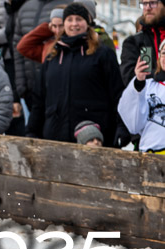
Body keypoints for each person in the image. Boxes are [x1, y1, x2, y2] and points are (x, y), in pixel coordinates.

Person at [26, 3, 128, 147]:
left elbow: (117, 95)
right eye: (70, 19)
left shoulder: (102, 54)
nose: (74, 24)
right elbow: (39, 99)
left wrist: (122, 128)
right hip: (56, 136)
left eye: (79, 19)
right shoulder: (52, 57)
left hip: (93, 137)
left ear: (87, 22)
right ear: (64, 23)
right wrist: (32, 131)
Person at [12, 0, 65, 108]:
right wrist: (21, 85)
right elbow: (20, 47)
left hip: (60, 93)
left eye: (61, 26)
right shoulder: (25, 7)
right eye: (54, 26)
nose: (57, 30)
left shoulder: (68, 3)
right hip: (33, 88)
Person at [118, 41, 165, 153]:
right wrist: (139, 82)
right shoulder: (148, 85)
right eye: (164, 53)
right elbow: (134, 125)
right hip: (151, 156)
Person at [120, 0, 165, 85]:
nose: (148, 8)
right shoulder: (135, 42)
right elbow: (129, 79)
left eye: (153, 3)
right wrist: (157, 74)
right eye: (144, 3)